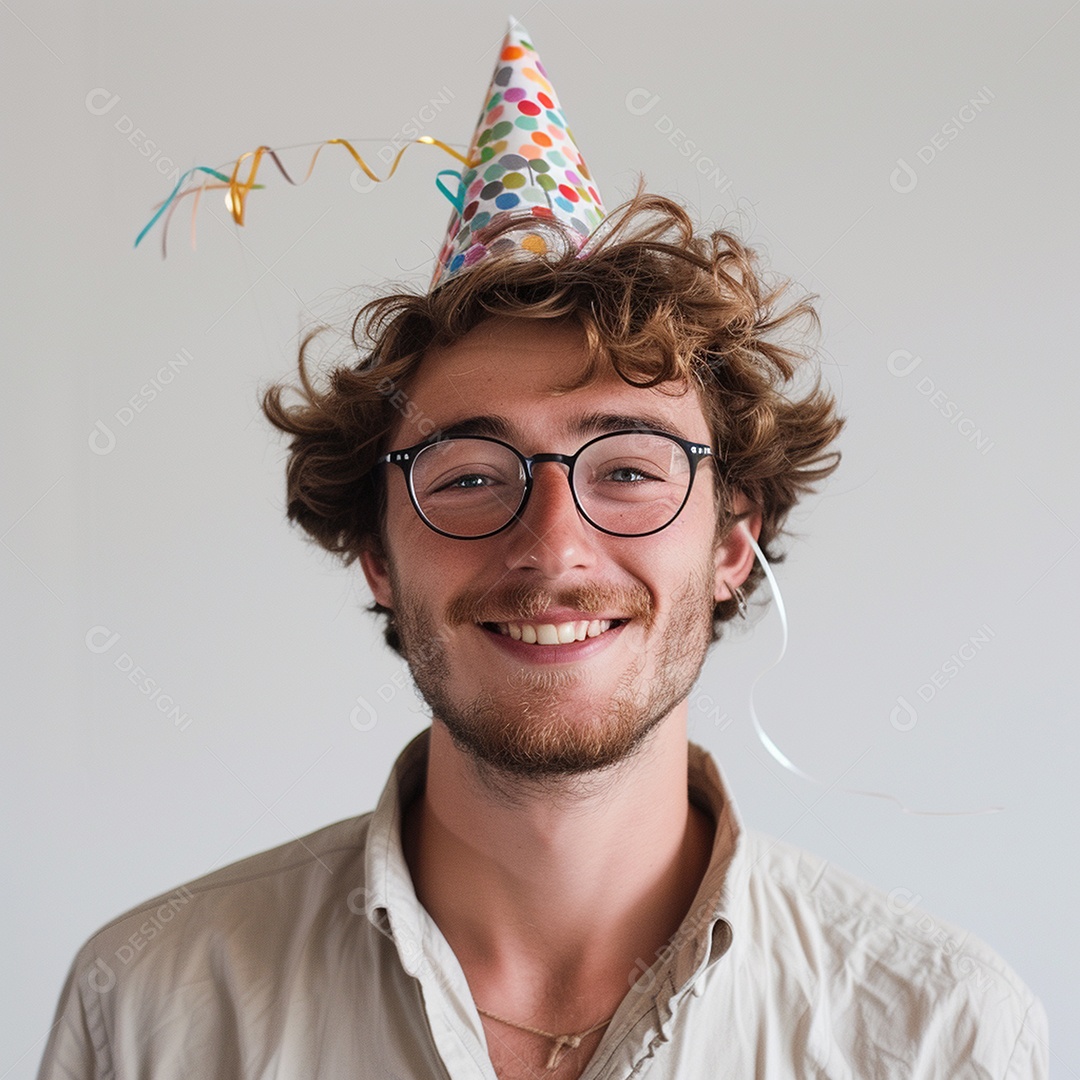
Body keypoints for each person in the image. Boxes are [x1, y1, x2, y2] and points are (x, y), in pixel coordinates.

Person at [39, 19, 1046, 1080]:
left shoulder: (941, 1036)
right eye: (470, 476)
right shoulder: (153, 1012)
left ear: (733, 542)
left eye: (629, 469)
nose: (554, 544)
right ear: (377, 554)